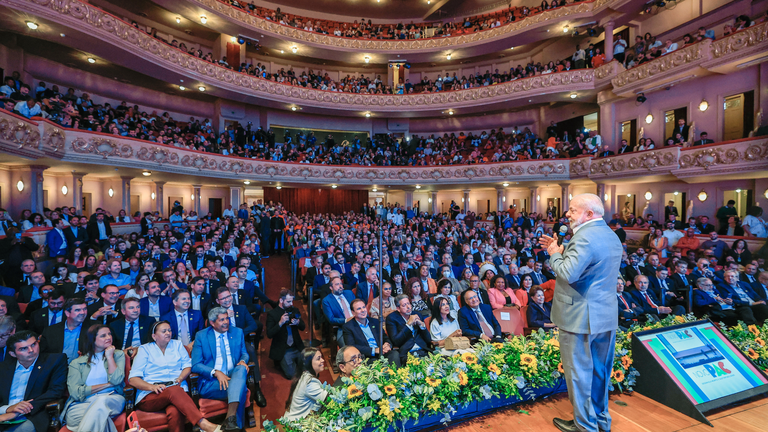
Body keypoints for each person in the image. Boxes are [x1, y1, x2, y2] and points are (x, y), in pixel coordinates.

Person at [538, 193, 623, 432]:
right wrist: (563, 250)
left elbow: (568, 273)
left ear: (589, 214)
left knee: (579, 374)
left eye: (573, 210)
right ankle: (601, 421)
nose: (567, 214)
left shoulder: (584, 237)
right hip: (605, 315)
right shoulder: (611, 235)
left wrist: (554, 253)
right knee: (600, 372)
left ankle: (585, 426)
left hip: (580, 317)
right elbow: (591, 263)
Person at [128, 321, 221, 432]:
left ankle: (203, 425)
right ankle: (203, 424)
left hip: (178, 390)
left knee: (175, 411)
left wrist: (181, 378)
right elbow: (133, 379)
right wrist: (152, 387)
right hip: (151, 395)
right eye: (164, 331)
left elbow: (187, 366)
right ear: (154, 336)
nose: (168, 333)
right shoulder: (144, 349)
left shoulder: (177, 345)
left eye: (169, 330)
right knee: (174, 391)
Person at [191, 307, 251, 431]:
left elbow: (244, 353)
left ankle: (230, 419)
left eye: (227, 318)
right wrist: (215, 372)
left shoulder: (237, 332)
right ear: (212, 323)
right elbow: (196, 364)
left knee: (241, 368)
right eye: (222, 320)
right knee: (241, 388)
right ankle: (236, 426)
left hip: (233, 376)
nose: (226, 322)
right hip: (211, 382)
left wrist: (242, 361)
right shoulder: (202, 336)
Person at [0, 330, 68, 432]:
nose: (31, 350)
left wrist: (20, 410)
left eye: (34, 344)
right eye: (23, 348)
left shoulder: (54, 361)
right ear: (13, 354)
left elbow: (55, 391)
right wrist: (6, 409)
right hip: (4, 413)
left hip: (33, 415)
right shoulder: (3, 368)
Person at [62, 325, 126, 432]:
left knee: (101, 402)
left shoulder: (117, 355)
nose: (108, 337)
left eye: (109, 334)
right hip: (81, 404)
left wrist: (110, 357)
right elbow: (75, 393)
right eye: (103, 336)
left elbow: (116, 380)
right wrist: (107, 385)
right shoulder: (76, 363)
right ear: (92, 340)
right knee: (99, 418)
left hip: (111, 398)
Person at [266, 289, 305, 379]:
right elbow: (269, 334)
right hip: (284, 349)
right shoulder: (272, 314)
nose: (291, 304)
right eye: (288, 301)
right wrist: (280, 323)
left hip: (297, 346)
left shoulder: (294, 310)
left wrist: (298, 322)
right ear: (281, 300)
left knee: (309, 367)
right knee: (291, 375)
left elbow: (303, 327)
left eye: (292, 301)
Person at [283, 348, 328, 421]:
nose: (322, 360)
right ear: (308, 363)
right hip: (296, 423)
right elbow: (328, 399)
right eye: (318, 359)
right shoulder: (310, 382)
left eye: (321, 357)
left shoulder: (304, 375)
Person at [385, 295, 432, 365]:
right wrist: (408, 325)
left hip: (423, 350)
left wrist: (422, 326)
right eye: (404, 305)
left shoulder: (417, 315)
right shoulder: (392, 318)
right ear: (398, 308)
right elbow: (396, 341)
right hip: (407, 353)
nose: (408, 307)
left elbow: (428, 339)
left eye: (409, 304)